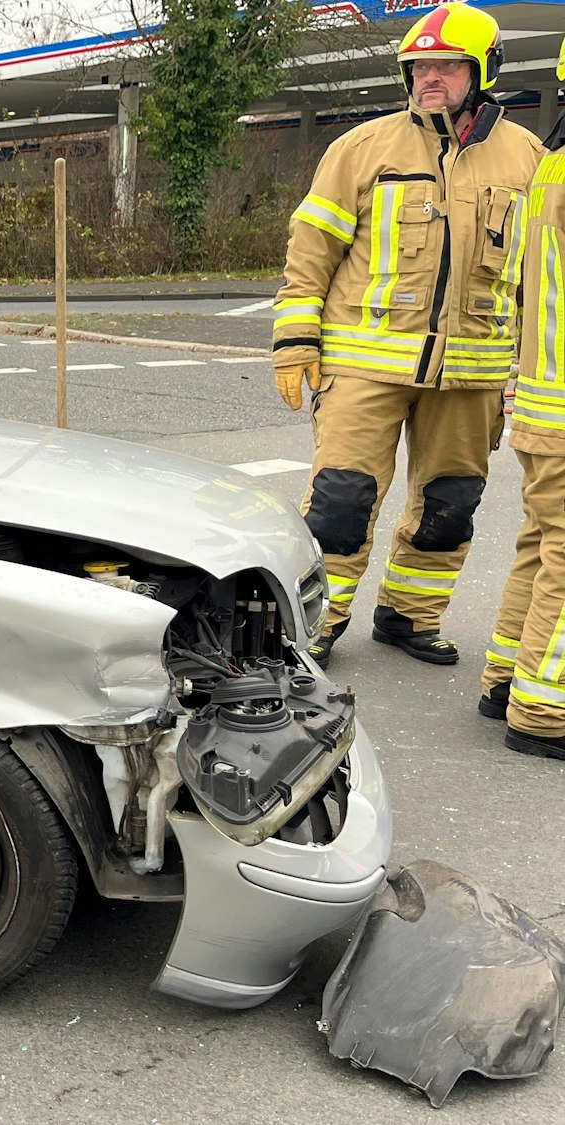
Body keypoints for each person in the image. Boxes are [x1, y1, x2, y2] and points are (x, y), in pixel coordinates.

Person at [273, 1, 543, 668]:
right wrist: (295, 338)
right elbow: (311, 249)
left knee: (449, 506)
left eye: (448, 66)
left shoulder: (528, 158)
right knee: (340, 505)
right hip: (363, 367)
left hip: (472, 374)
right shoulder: (362, 148)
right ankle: (316, 622)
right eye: (420, 67)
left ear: (484, 71)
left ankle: (408, 616)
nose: (431, 77)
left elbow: (543, 273)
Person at [480, 44, 565, 760]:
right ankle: (545, 712)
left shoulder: (549, 167)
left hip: (544, 401)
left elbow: (512, 282)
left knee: (542, 547)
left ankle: (505, 677)